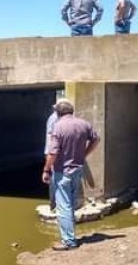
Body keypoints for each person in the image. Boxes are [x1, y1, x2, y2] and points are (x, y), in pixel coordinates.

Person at [42, 99, 100, 250]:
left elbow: (52, 152)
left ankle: (69, 241)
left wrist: (46, 170)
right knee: (71, 205)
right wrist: (84, 154)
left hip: (63, 172)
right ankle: (71, 236)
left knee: (64, 207)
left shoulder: (58, 127)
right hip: (78, 170)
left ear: (58, 112)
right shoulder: (83, 124)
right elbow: (96, 139)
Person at [45, 104, 60, 211]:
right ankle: (53, 204)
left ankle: (54, 204)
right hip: (53, 152)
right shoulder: (54, 118)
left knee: (55, 177)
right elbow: (50, 137)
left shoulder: (55, 118)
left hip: (53, 152)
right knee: (54, 178)